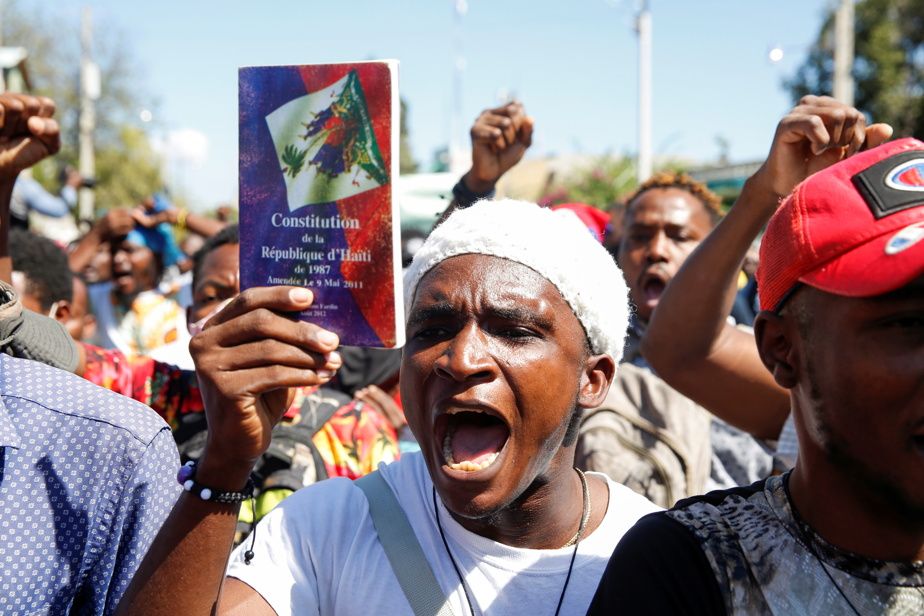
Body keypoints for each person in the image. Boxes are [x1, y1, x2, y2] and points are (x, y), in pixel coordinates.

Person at [116, 198, 660, 615]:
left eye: (513, 331)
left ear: (593, 379)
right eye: (433, 329)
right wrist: (227, 460)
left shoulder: (661, 559)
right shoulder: (324, 530)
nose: (462, 357)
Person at [588, 112, 924, 615]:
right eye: (906, 324)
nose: (656, 252)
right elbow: (681, 349)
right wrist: (762, 195)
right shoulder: (694, 568)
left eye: (678, 236)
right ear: (782, 351)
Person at [0, 92, 181, 614]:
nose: (120, 260)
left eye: (133, 249)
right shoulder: (92, 307)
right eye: (114, 250)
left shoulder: (118, 443)